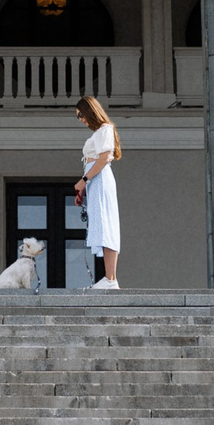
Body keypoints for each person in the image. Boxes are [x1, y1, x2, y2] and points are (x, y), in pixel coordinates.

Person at [73, 95, 122, 289]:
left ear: (89, 111)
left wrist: (83, 181)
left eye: (80, 115)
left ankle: (110, 279)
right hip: (95, 181)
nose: (81, 120)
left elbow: (103, 159)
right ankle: (109, 278)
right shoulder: (101, 132)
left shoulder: (105, 130)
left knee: (106, 225)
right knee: (102, 226)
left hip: (99, 180)